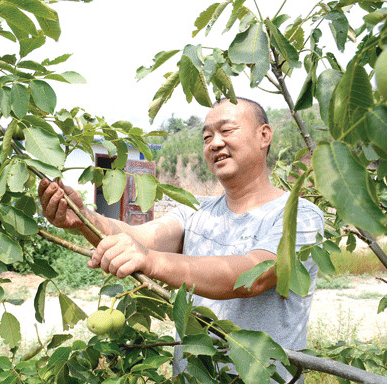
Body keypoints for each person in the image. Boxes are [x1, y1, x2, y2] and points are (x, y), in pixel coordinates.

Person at [38, 97, 324, 382]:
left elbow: (252, 275)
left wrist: (149, 260)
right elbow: (141, 238)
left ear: (264, 135)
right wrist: (83, 218)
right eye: (207, 136)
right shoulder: (194, 210)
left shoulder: (300, 216)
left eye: (226, 131)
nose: (214, 143)